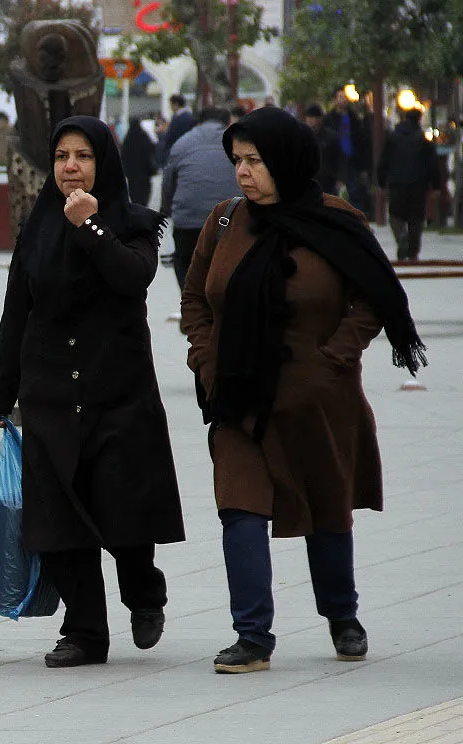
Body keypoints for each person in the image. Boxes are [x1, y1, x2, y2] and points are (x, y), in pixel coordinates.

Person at [181, 106, 426, 674]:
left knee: (326, 505)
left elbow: (375, 295)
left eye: (256, 161)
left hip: (317, 396)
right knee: (239, 507)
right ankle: (252, 636)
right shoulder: (224, 221)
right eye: (237, 160)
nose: (243, 172)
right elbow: (195, 298)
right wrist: (206, 357)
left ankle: (342, 615)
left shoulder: (337, 219)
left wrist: (335, 357)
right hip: (238, 395)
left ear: (287, 161)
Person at [0, 116, 184, 668]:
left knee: (124, 512)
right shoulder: (36, 229)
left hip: (118, 392)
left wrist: (90, 228)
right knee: (61, 519)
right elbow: (15, 314)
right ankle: (86, 631)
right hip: (50, 393)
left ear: (104, 163)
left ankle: (144, 591)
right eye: (63, 156)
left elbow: (132, 277)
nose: (71, 166)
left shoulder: (134, 222)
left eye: (84, 156)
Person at [160, 106, 239, 290]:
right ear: (227, 122)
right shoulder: (236, 143)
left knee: (185, 263)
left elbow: (168, 182)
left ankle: (190, 305)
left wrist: (167, 209)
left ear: (199, 122)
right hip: (231, 219)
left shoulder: (182, 143)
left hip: (188, 221)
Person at [379, 108, 442, 261]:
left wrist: (381, 183)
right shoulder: (423, 140)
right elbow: (433, 164)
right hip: (418, 184)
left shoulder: (393, 138)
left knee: (395, 214)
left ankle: (401, 236)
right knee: (416, 218)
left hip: (396, 183)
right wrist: (436, 186)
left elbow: (383, 162)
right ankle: (413, 250)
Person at [323, 89, 372, 218]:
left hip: (352, 160)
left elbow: (362, 142)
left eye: (344, 97)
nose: (343, 99)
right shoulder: (329, 119)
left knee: (355, 192)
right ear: (334, 99)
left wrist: (363, 166)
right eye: (340, 96)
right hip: (334, 162)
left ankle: (358, 220)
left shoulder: (354, 119)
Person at [304, 103, 345, 197]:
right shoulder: (303, 137)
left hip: (328, 181)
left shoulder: (331, 137)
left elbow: (340, 158)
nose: (309, 120)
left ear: (319, 119)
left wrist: (340, 179)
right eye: (308, 117)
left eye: (312, 117)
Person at [120, 116, 158, 206]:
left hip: (132, 174)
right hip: (144, 173)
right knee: (144, 195)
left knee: (134, 194)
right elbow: (152, 149)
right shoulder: (144, 136)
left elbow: (123, 155)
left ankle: (137, 208)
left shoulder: (128, 139)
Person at [158, 93, 197, 165]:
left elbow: (170, 137)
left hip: (176, 152)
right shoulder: (191, 117)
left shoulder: (177, 118)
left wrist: (161, 134)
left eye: (171, 104)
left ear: (176, 104)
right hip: (189, 151)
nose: (170, 107)